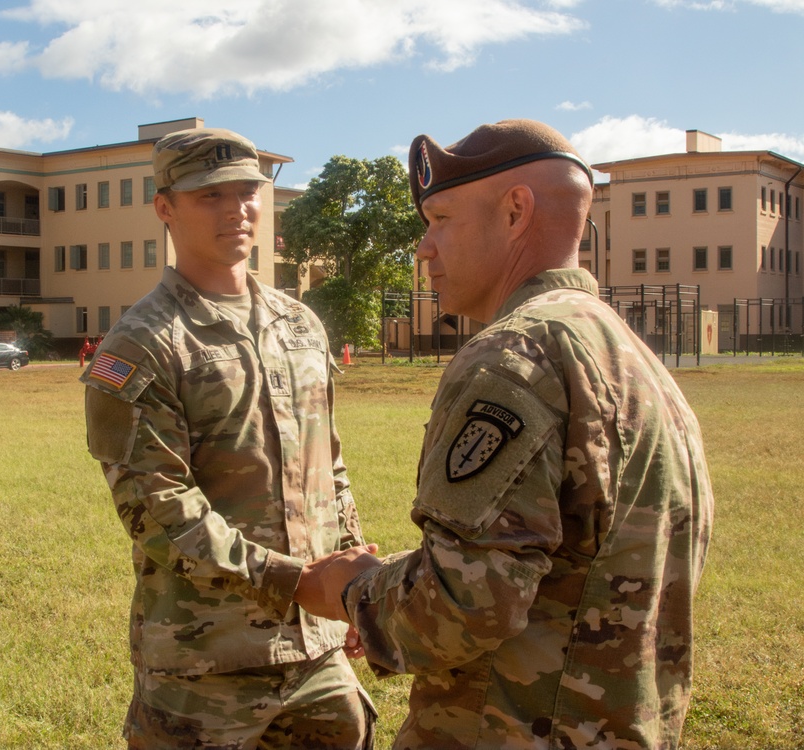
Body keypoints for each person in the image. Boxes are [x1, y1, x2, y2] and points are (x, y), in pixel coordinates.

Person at [293, 119, 714, 749]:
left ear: (516, 210)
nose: (423, 248)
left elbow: (465, 602)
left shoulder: (514, 355)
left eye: (440, 219)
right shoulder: (630, 356)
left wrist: (354, 589)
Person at [81, 127, 376, 749]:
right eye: (210, 195)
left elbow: (330, 466)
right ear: (165, 207)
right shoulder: (142, 344)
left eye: (247, 191)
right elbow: (158, 513)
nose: (237, 209)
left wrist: (351, 578)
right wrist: (298, 582)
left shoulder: (299, 324)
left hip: (318, 654)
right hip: (207, 662)